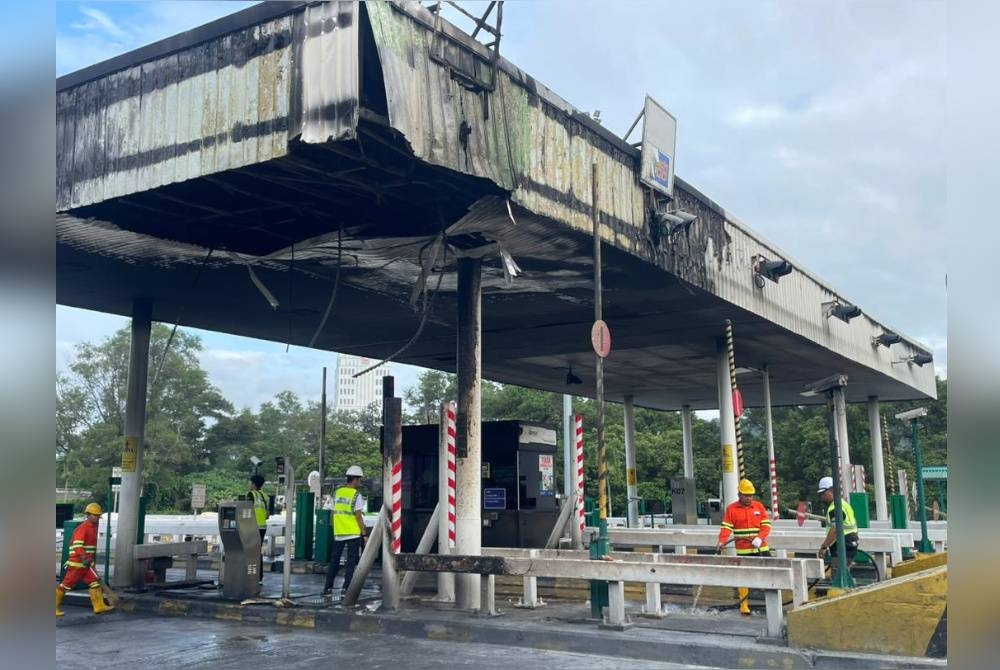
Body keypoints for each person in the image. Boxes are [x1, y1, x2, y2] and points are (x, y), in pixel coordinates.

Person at [716, 478, 772, 615]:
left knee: (770, 575)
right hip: (744, 550)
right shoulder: (732, 509)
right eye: (746, 495)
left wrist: (760, 537)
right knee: (744, 577)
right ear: (739, 494)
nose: (748, 498)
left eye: (750, 495)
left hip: (761, 548)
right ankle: (744, 606)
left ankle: (772, 604)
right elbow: (726, 528)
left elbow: (766, 526)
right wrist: (722, 541)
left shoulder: (759, 507)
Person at [57, 502, 114, 617]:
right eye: (95, 515)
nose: (97, 517)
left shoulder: (93, 527)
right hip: (78, 564)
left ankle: (99, 606)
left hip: (87, 564)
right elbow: (78, 545)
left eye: (98, 515)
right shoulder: (83, 528)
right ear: (88, 515)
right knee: (65, 586)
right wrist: (83, 557)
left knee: (94, 583)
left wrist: (89, 561)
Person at [323, 466, 368, 598]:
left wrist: (335, 528)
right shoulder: (356, 495)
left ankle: (328, 588)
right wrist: (364, 534)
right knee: (351, 562)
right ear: (355, 479)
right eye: (359, 479)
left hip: (339, 533)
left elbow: (333, 514)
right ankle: (346, 588)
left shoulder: (337, 493)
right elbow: (358, 516)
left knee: (334, 561)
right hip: (353, 533)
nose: (360, 482)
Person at [815, 476, 859, 576]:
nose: (822, 497)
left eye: (823, 493)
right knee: (844, 574)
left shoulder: (834, 508)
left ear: (831, 491)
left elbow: (835, 531)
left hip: (842, 545)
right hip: (851, 541)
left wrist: (824, 546)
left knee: (838, 576)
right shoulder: (843, 504)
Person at [249, 474, 268, 584]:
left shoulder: (251, 494)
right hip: (263, 526)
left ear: (254, 484)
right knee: (257, 551)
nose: (249, 484)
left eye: (251, 482)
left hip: (253, 526)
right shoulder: (264, 496)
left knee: (250, 551)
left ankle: (251, 575)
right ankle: (259, 576)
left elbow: (245, 509)